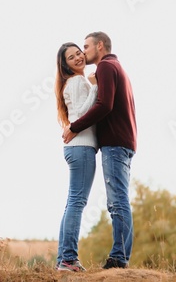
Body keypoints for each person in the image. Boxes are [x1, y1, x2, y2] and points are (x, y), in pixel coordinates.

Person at [62, 32, 137, 269]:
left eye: (85, 47)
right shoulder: (116, 67)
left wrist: (75, 127)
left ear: (100, 46)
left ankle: (118, 257)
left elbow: (105, 104)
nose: (83, 53)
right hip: (122, 142)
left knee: (117, 201)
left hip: (115, 143)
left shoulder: (105, 67)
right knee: (116, 200)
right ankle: (117, 256)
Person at [55, 42, 98, 272]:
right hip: (81, 148)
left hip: (77, 148)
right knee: (77, 203)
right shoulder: (78, 82)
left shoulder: (73, 82)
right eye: (72, 58)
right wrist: (95, 87)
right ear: (67, 66)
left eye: (79, 53)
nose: (79, 58)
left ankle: (63, 259)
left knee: (72, 203)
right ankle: (68, 259)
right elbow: (82, 114)